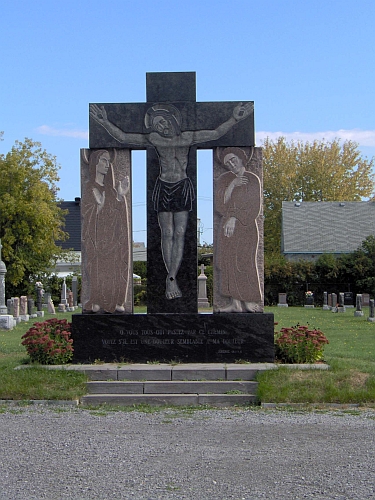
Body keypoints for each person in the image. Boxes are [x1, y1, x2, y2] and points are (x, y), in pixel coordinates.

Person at [90, 101, 253, 300]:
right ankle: (171, 278)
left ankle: (172, 276)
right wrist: (105, 122)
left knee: (179, 232)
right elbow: (124, 137)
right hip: (163, 186)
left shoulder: (188, 137)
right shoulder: (155, 139)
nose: (162, 127)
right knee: (166, 232)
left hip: (182, 186)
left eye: (163, 122)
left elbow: (215, 133)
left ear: (172, 120)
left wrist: (234, 118)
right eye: (157, 125)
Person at [81, 150, 131, 313]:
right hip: (97, 239)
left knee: (115, 269)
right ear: (95, 162)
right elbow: (86, 214)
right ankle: (96, 299)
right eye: (103, 160)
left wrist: (120, 197)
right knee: (97, 267)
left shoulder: (111, 190)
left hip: (113, 239)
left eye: (109, 161)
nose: (107, 164)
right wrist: (98, 207)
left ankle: (116, 300)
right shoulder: (90, 188)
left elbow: (119, 215)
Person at [215, 148, 262, 312]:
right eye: (227, 162)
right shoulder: (225, 179)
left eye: (233, 159)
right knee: (228, 263)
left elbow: (254, 206)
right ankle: (235, 304)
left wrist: (235, 218)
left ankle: (248, 300)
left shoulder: (252, 178)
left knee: (245, 262)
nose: (231, 164)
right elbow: (220, 205)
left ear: (242, 158)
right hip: (228, 229)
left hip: (246, 227)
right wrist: (233, 185)